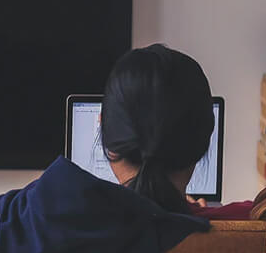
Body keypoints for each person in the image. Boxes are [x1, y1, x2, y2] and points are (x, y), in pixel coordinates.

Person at [97, 44, 255, 221]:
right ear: (204, 137)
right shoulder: (253, 221)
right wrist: (194, 211)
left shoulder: (67, 225)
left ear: (104, 129)